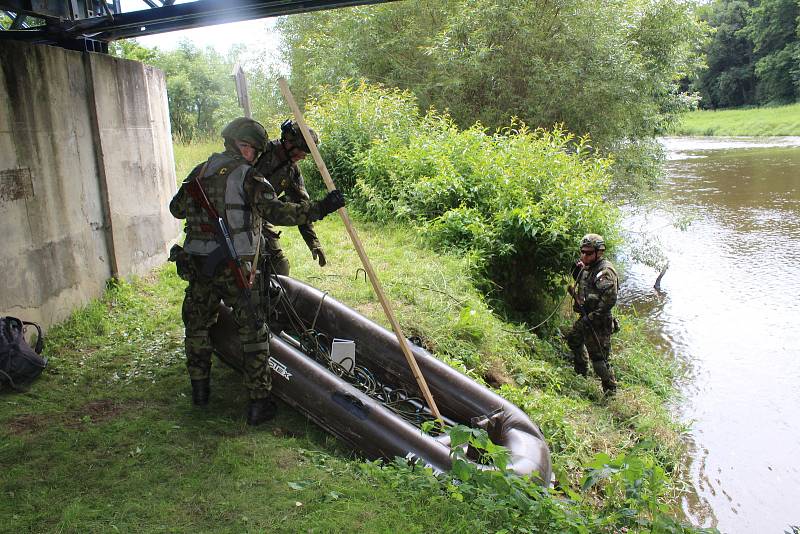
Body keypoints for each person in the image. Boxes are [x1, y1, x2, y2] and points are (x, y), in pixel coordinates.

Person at [168, 117, 345, 425]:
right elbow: (279, 212)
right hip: (235, 267)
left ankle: (200, 392)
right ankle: (258, 404)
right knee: (253, 332)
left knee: (196, 326)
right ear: (245, 146)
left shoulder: (199, 171)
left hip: (197, 265)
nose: (255, 155)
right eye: (253, 149)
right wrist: (322, 207)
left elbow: (176, 209)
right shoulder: (249, 177)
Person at [254, 119, 326, 276]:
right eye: (301, 150)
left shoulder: (292, 171)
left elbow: (302, 206)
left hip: (260, 218)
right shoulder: (260, 152)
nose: (302, 156)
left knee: (279, 266)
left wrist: (313, 243)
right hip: (232, 214)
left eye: (306, 153)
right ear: (287, 142)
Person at [565, 233, 619, 395]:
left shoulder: (605, 271)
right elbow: (584, 283)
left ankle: (610, 392)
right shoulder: (587, 266)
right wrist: (577, 270)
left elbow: (609, 300)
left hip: (599, 322)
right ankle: (581, 372)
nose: (584, 255)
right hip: (586, 316)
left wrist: (592, 318)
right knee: (574, 340)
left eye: (588, 253)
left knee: (600, 362)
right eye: (582, 251)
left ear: (599, 252)